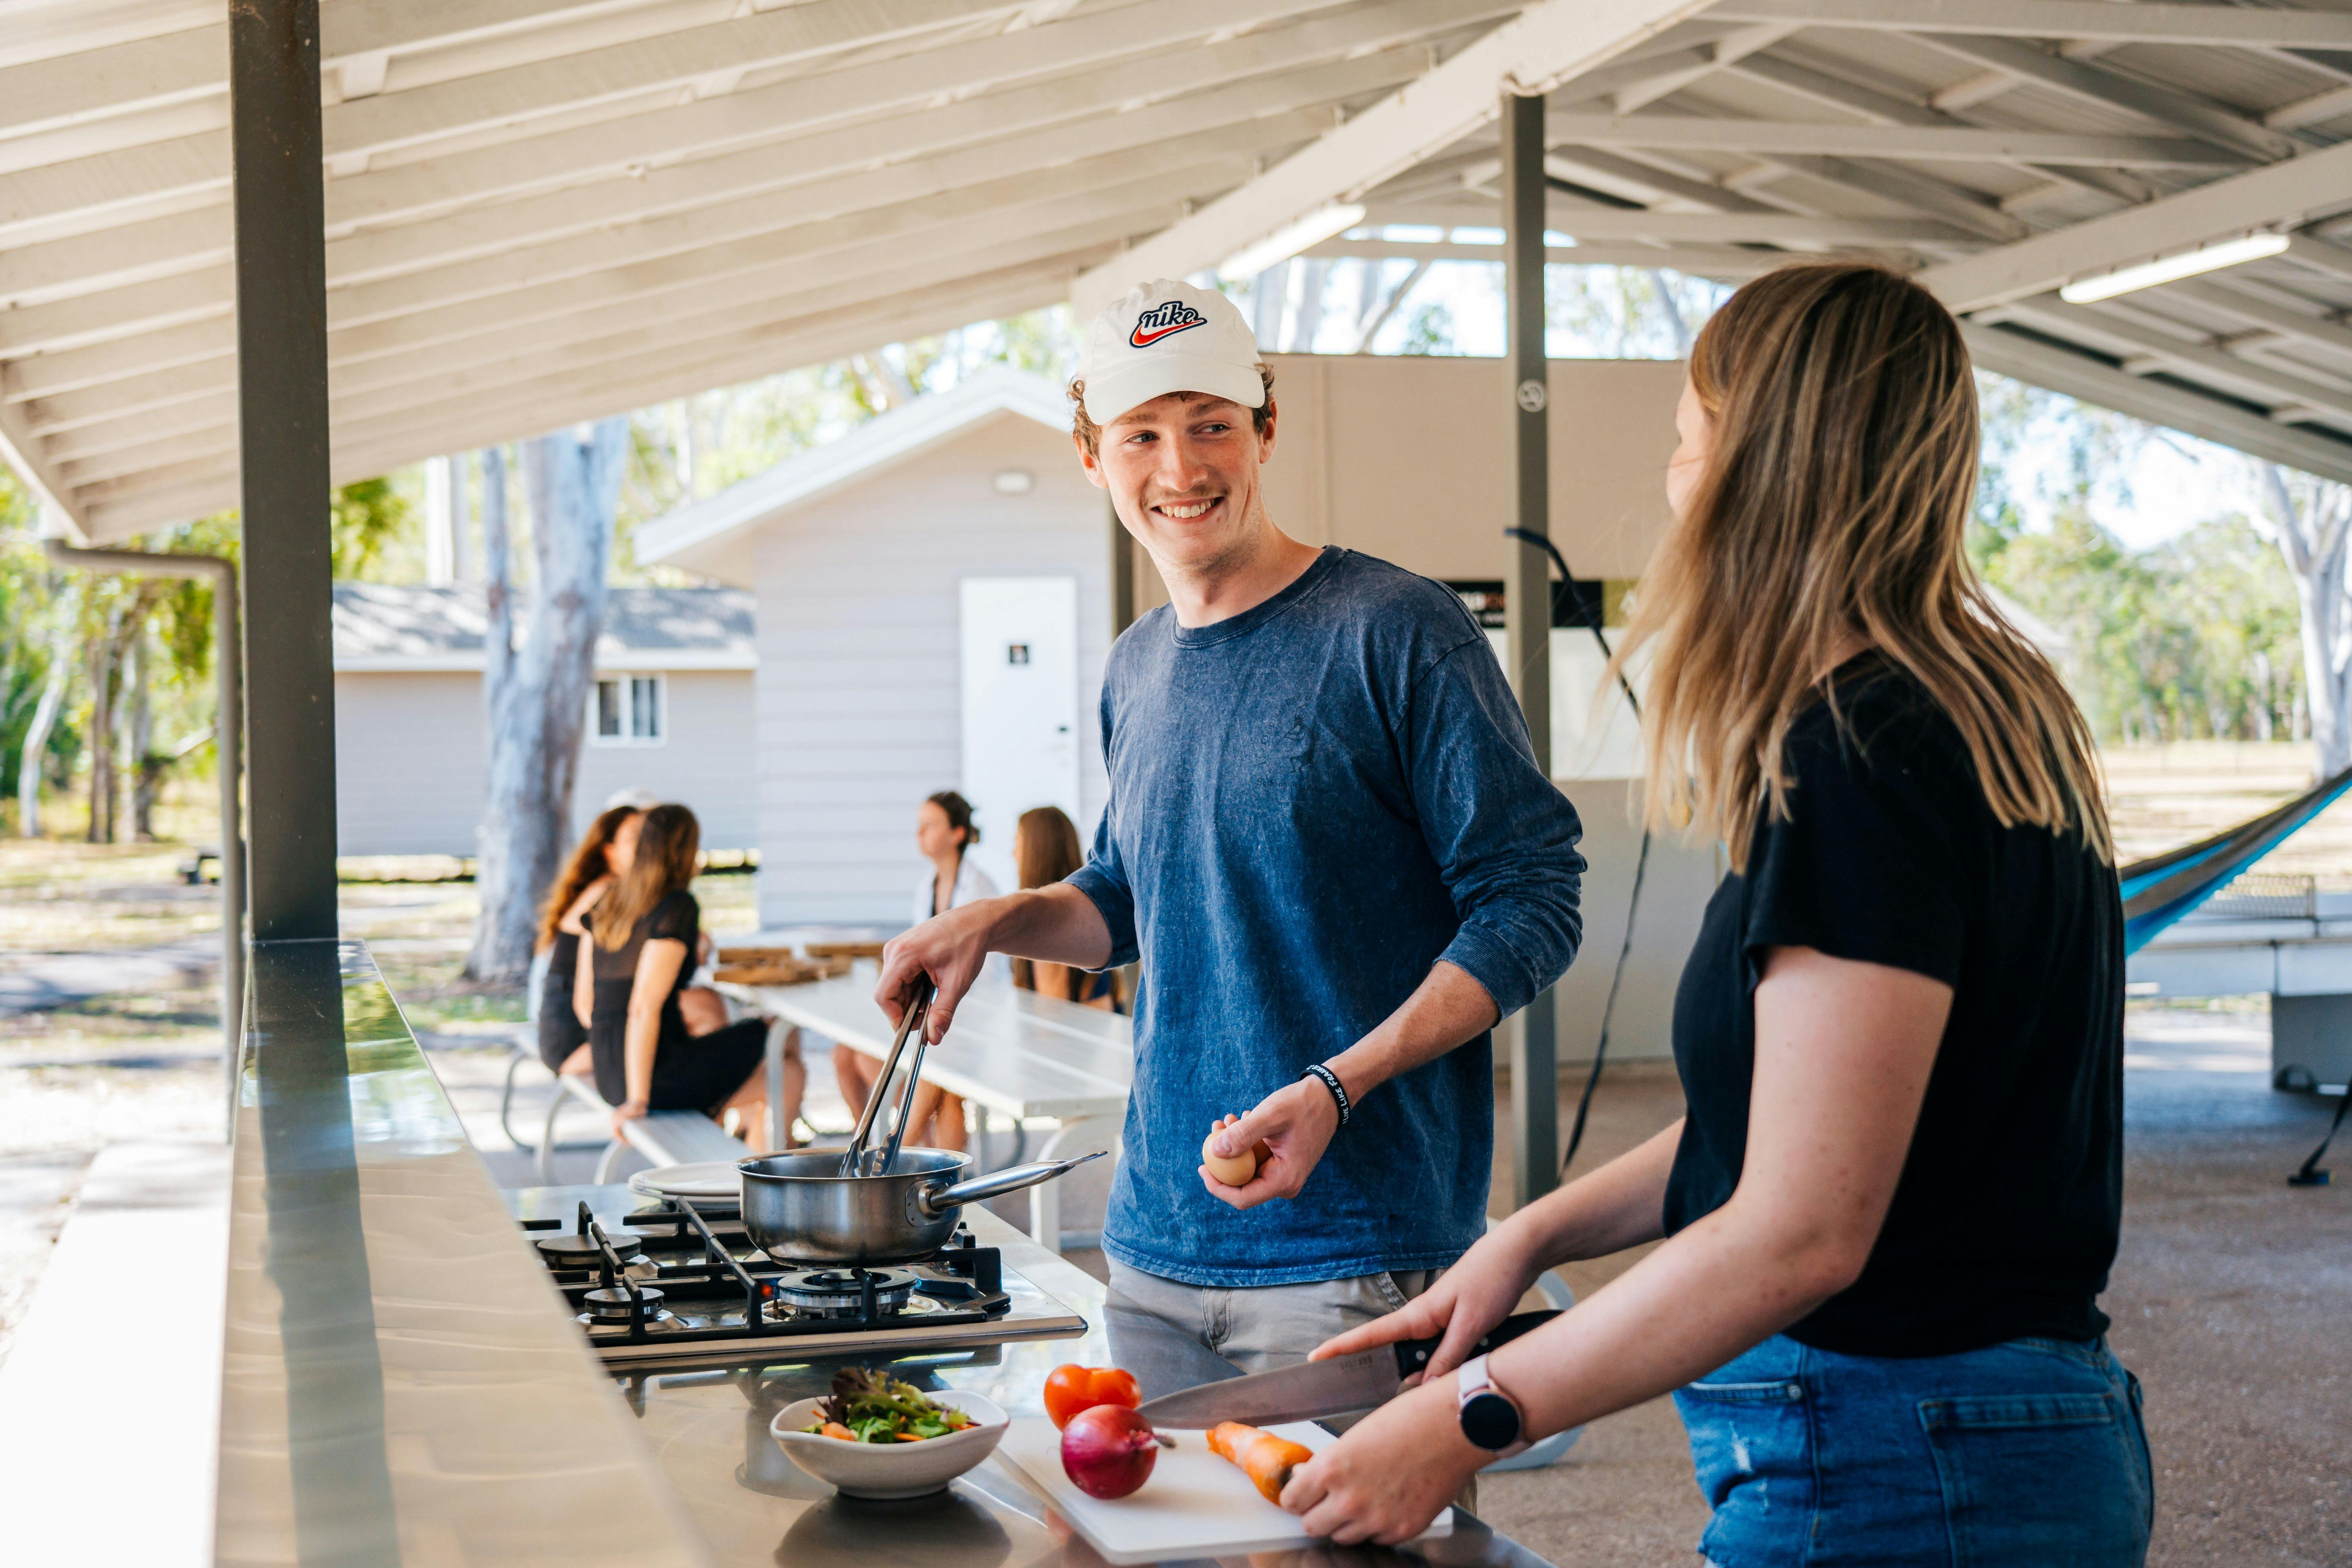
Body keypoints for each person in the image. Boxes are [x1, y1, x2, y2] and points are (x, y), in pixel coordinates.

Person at [1278, 263, 2150, 1563]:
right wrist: (1531, 1232)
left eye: (1689, 444)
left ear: (1762, 467)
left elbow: (1802, 1227)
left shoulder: (1862, 751)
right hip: (1969, 1443)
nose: (1677, 486)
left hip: (1908, 1463)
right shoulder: (1982, 710)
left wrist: (1472, 1417)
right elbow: (1800, 1125)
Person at [875, 279, 1585, 1371]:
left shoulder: (1395, 630)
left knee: (1349, 1549)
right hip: (1156, 1250)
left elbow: (1531, 899)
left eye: (1210, 424)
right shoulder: (1137, 664)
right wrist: (990, 918)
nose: (1181, 467)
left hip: (1356, 1254)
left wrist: (1337, 1083)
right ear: (1090, 456)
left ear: (1263, 431)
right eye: (1141, 435)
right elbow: (1123, 898)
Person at [578, 803, 789, 1144]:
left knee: (786, 1072)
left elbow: (587, 1002)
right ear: (684, 848)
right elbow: (643, 1007)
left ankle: (752, 1151)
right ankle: (769, 1174)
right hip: (651, 1080)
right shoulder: (676, 906)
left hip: (610, 1074)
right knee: (782, 1032)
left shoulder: (610, 903)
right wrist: (638, 1100)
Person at [834, 790, 989, 1152]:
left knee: (946, 1091)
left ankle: (904, 1156)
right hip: (933, 1006)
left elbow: (988, 976)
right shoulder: (926, 888)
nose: (920, 834)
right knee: (845, 1054)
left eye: (930, 826)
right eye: (919, 826)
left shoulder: (980, 890)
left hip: (970, 1014)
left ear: (958, 834)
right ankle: (881, 1144)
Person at [534, 803, 639, 1076]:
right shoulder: (608, 893)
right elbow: (586, 1001)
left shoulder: (610, 888)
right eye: (635, 838)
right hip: (573, 1043)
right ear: (609, 850)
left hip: (571, 1034)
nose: (648, 845)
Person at [1009, 806, 1114, 1010]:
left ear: (1037, 853)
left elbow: (1098, 1031)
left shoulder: (1088, 933)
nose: (1013, 853)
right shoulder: (1022, 934)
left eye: (1017, 843)